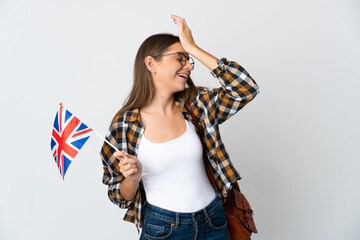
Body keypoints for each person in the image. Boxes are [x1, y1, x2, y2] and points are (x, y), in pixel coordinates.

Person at [100, 15, 260, 239]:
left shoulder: (198, 106)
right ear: (151, 64)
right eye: (181, 58)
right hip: (164, 229)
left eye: (189, 59)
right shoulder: (124, 125)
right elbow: (119, 195)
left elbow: (245, 88)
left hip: (214, 222)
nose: (189, 66)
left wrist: (193, 48)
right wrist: (132, 178)